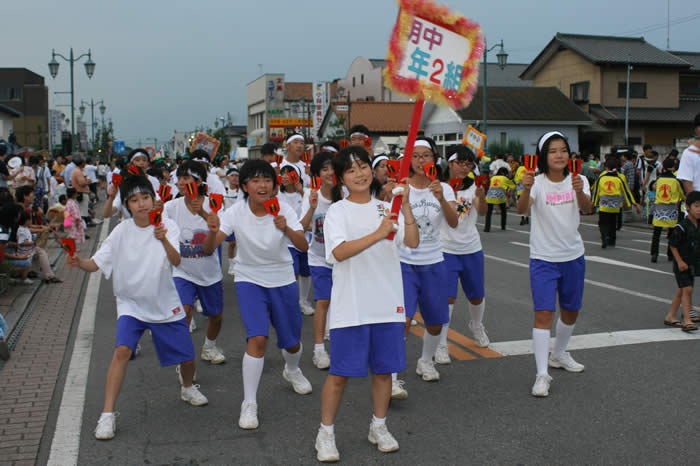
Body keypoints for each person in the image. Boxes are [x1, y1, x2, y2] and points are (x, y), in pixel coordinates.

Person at [66, 174, 208, 440]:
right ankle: (107, 414)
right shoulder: (121, 231)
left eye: (146, 197)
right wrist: (79, 262)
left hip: (164, 302)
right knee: (122, 350)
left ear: (155, 200)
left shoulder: (168, 225)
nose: (142, 204)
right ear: (127, 205)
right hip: (131, 303)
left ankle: (187, 386)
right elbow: (96, 264)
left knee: (187, 355)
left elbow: (177, 261)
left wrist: (163, 238)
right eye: (134, 200)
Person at [314, 146, 418, 462]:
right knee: (340, 374)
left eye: (363, 167)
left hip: (388, 303)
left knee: (385, 371)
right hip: (351, 305)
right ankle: (326, 433)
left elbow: (412, 242)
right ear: (341, 178)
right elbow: (339, 252)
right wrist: (378, 233)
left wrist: (407, 207)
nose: (359, 174)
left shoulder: (386, 208)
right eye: (351, 170)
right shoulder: (338, 211)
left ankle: (379, 426)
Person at [202, 159, 312, 430]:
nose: (262, 185)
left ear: (274, 186)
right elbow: (208, 248)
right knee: (258, 338)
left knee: (292, 343)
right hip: (249, 278)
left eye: (267, 180)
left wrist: (285, 227)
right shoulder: (235, 212)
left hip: (283, 278)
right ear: (244, 186)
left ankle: (292, 370)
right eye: (255, 180)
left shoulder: (284, 208)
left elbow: (302, 246)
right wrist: (213, 230)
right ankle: (249, 403)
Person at [517, 131, 593, 398]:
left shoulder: (579, 179)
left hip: (573, 256)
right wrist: (525, 188)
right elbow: (521, 210)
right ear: (544, 156)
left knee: (571, 311)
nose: (559, 155)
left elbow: (587, 208)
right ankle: (541, 374)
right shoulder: (536, 182)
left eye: (563, 150)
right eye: (553, 151)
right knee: (544, 314)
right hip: (543, 258)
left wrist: (580, 191)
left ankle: (558, 354)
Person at [398, 137, 457, 385]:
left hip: (434, 262)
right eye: (416, 155)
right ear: (408, 160)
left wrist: (442, 197)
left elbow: (454, 222)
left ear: (434, 158)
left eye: (426, 155)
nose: (421, 161)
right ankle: (390, 375)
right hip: (403, 262)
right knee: (402, 321)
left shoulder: (445, 188)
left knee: (435, 323)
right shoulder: (400, 187)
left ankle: (426, 360)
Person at [165, 160, 227, 372]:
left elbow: (211, 246)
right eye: (179, 178)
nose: (181, 182)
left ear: (199, 181)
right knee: (185, 310)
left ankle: (209, 346)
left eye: (187, 178)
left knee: (216, 317)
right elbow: (156, 224)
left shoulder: (215, 204)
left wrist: (201, 212)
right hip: (182, 271)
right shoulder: (171, 207)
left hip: (209, 272)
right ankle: (184, 358)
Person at [439, 145, 489, 367]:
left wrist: (481, 196)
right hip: (445, 248)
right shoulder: (439, 186)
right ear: (450, 163)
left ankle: (476, 326)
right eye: (461, 163)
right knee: (447, 298)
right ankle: (441, 343)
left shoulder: (472, 187)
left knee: (476, 295)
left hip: (471, 248)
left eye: (469, 164)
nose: (465, 168)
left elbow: (483, 211)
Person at [299, 152, 335, 369]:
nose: (330, 173)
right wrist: (312, 207)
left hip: (343, 258)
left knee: (341, 302)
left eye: (333, 168)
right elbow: (302, 225)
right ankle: (319, 350)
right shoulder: (311, 195)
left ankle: (341, 343)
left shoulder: (346, 194)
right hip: (319, 257)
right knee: (323, 301)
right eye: (324, 169)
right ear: (317, 174)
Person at [665, 191, 700, 332]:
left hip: (692, 263)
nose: (699, 209)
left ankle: (670, 316)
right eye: (696, 206)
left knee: (682, 290)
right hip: (681, 263)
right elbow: (673, 245)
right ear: (687, 208)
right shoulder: (682, 226)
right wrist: (679, 262)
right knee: (687, 289)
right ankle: (687, 320)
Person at [591, 157, 636, 248]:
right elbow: (626, 191)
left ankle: (604, 237)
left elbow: (596, 190)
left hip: (604, 204)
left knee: (603, 222)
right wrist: (631, 202)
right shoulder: (620, 177)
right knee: (612, 222)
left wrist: (594, 203)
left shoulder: (602, 176)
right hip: (616, 204)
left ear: (607, 167)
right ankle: (612, 240)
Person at [651, 158, 685, 263]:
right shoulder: (676, 181)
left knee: (657, 233)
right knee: (671, 234)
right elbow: (682, 194)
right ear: (673, 168)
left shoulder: (659, 179)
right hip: (672, 209)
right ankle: (670, 254)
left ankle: (654, 254)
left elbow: (653, 188)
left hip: (659, 209)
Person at [484, 167, 515, 232]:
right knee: (503, 211)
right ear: (504, 173)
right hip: (500, 197)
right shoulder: (504, 178)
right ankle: (503, 226)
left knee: (488, 213)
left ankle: (487, 228)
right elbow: (513, 186)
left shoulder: (493, 178)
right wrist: (508, 189)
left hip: (490, 196)